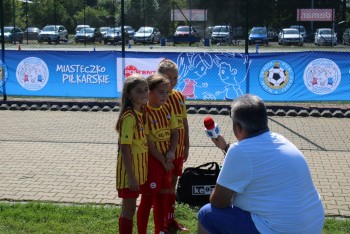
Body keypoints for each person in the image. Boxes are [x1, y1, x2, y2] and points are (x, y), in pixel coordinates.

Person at [198, 94, 325, 234]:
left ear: (238, 127)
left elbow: (218, 201)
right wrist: (226, 147)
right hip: (312, 224)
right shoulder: (281, 139)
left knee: (206, 214)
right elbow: (256, 161)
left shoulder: (239, 151)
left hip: (280, 229)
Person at [137, 73, 179, 234]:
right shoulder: (144, 111)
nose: (165, 96)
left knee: (162, 198)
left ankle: (160, 230)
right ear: (149, 92)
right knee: (147, 199)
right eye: (161, 92)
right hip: (153, 161)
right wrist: (163, 159)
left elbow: (175, 132)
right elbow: (147, 140)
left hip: (166, 160)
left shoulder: (168, 108)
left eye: (167, 92)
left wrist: (171, 152)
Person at [157, 59, 190, 232]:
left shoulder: (179, 96)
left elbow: (184, 121)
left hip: (177, 152)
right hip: (164, 153)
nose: (172, 81)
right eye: (168, 77)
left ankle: (170, 218)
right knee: (164, 187)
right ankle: (161, 220)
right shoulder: (156, 98)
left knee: (172, 187)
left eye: (175, 77)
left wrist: (187, 145)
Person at [115, 74, 149, 234]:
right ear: (129, 94)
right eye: (139, 91)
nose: (144, 93)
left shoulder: (140, 112)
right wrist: (131, 176)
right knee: (129, 211)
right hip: (131, 173)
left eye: (146, 90)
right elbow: (124, 147)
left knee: (130, 209)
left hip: (137, 171)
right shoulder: (129, 117)